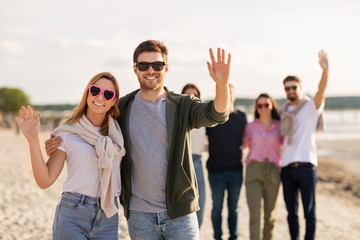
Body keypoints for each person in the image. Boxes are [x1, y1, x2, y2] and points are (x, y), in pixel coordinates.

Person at [46, 40, 231, 240]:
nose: (150, 70)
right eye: (144, 65)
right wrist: (60, 141)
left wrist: (222, 85)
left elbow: (217, 114)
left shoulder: (183, 105)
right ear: (135, 69)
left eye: (157, 65)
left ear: (166, 68)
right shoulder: (123, 107)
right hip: (139, 215)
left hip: (180, 213)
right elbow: (93, 127)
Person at [15, 72, 126, 240]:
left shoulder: (120, 135)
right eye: (95, 90)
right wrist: (32, 139)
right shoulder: (68, 133)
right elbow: (45, 180)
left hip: (108, 216)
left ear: (113, 101)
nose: (100, 97)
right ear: (88, 92)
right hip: (72, 214)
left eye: (108, 94)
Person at [280, 50, 329, 240]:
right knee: (291, 213)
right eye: (287, 88)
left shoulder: (310, 107)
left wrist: (325, 71)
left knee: (309, 212)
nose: (291, 90)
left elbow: (321, 91)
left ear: (300, 87)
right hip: (286, 168)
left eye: (293, 87)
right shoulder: (283, 111)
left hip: (307, 168)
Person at [206, 83, 247, 240]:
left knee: (234, 208)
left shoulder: (241, 117)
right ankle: (218, 237)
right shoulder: (211, 116)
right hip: (216, 171)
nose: (227, 95)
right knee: (217, 208)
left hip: (236, 170)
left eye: (230, 92)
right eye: (223, 91)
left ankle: (233, 237)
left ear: (234, 95)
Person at [242, 93, 283, 240]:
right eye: (260, 105)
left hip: (272, 171)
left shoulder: (280, 126)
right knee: (254, 214)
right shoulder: (250, 127)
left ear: (272, 106)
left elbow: (289, 144)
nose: (263, 108)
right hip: (253, 170)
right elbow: (241, 145)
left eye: (267, 105)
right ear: (257, 108)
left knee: (270, 215)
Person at [181, 83, 207, 228]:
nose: (191, 99)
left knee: (200, 207)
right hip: (180, 163)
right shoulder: (176, 117)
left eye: (195, 96)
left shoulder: (203, 119)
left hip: (197, 163)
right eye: (187, 96)